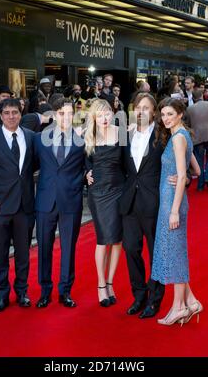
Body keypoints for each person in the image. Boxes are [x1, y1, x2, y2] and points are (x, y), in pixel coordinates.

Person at [0, 98, 36, 312]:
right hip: (0, 208)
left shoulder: (31, 138)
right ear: (1, 115)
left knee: (23, 254)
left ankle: (22, 292)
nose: (11, 116)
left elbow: (36, 166)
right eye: (7, 113)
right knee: (0, 255)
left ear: (20, 113)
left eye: (15, 112)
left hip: (24, 206)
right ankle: (2, 295)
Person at [151, 98, 202, 326]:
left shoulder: (179, 138)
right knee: (173, 252)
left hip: (172, 203)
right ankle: (191, 302)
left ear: (180, 114)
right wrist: (185, 177)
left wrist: (173, 211)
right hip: (170, 201)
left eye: (170, 114)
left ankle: (179, 308)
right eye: (163, 114)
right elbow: (197, 170)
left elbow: (183, 175)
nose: (166, 118)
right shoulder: (181, 135)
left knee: (175, 255)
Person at [34, 97, 85, 309]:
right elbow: (28, 166)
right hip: (45, 200)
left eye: (70, 113)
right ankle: (45, 291)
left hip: (71, 200)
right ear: (55, 115)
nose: (66, 117)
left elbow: (89, 165)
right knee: (44, 247)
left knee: (68, 249)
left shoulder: (82, 140)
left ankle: (65, 291)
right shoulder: (38, 138)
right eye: (62, 113)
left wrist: (88, 176)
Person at [119, 92, 166, 319]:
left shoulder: (161, 136)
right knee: (130, 248)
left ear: (154, 112)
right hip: (129, 202)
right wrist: (90, 171)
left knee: (155, 252)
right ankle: (139, 295)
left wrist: (183, 178)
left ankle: (155, 299)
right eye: (138, 107)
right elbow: (113, 163)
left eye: (146, 108)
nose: (141, 111)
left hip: (154, 202)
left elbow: (178, 162)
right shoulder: (125, 136)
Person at [85, 99, 125, 307]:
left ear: (113, 113)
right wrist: (86, 172)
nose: (104, 118)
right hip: (99, 193)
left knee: (117, 240)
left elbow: (130, 161)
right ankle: (101, 285)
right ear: (93, 117)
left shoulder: (122, 133)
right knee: (103, 239)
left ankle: (110, 282)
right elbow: (83, 160)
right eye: (99, 115)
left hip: (119, 189)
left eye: (107, 113)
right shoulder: (89, 135)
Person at [185, 89, 208, 191]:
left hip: (197, 138)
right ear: (202, 95)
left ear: (193, 97)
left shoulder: (189, 109)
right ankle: (207, 177)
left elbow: (186, 124)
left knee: (199, 161)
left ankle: (200, 185)